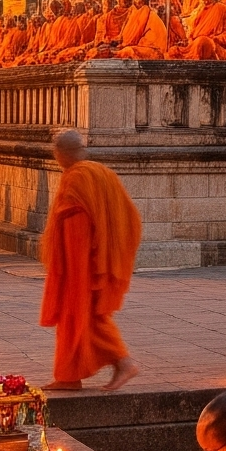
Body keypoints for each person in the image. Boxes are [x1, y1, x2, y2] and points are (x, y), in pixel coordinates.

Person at [41, 129, 141, 391]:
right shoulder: (99, 172)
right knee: (82, 316)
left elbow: (77, 227)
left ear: (62, 153)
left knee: (83, 314)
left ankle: (123, 361)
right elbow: (128, 217)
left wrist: (75, 271)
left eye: (56, 151)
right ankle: (69, 376)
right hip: (97, 259)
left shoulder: (79, 176)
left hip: (81, 263)